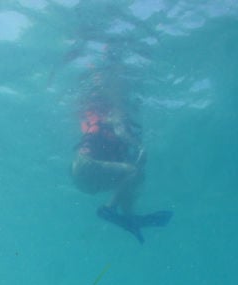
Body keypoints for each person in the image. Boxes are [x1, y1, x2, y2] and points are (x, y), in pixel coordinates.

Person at [71, 92, 172, 244]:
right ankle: (109, 208)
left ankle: (129, 217)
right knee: (134, 172)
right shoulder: (116, 111)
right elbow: (120, 130)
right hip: (86, 164)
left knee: (134, 176)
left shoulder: (107, 125)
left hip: (82, 178)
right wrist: (141, 147)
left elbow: (129, 180)